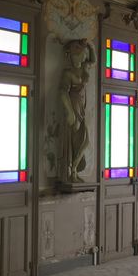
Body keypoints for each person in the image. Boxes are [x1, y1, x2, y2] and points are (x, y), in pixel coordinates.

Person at [60, 39, 95, 183]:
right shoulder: (67, 73)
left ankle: (74, 168)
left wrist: (91, 46)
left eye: (81, 54)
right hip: (74, 106)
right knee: (75, 142)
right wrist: (69, 112)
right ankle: (71, 172)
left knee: (85, 140)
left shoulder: (85, 67)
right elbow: (62, 92)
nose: (79, 57)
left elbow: (93, 60)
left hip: (82, 107)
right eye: (76, 54)